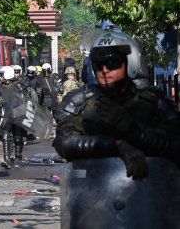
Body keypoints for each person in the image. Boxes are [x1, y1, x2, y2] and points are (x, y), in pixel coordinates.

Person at [53, 30, 180, 226]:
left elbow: (175, 144)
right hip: (91, 203)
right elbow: (64, 142)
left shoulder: (152, 103)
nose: (104, 69)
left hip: (147, 202)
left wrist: (133, 131)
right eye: (98, 64)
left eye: (112, 63)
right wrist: (115, 145)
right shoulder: (81, 102)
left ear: (131, 62)